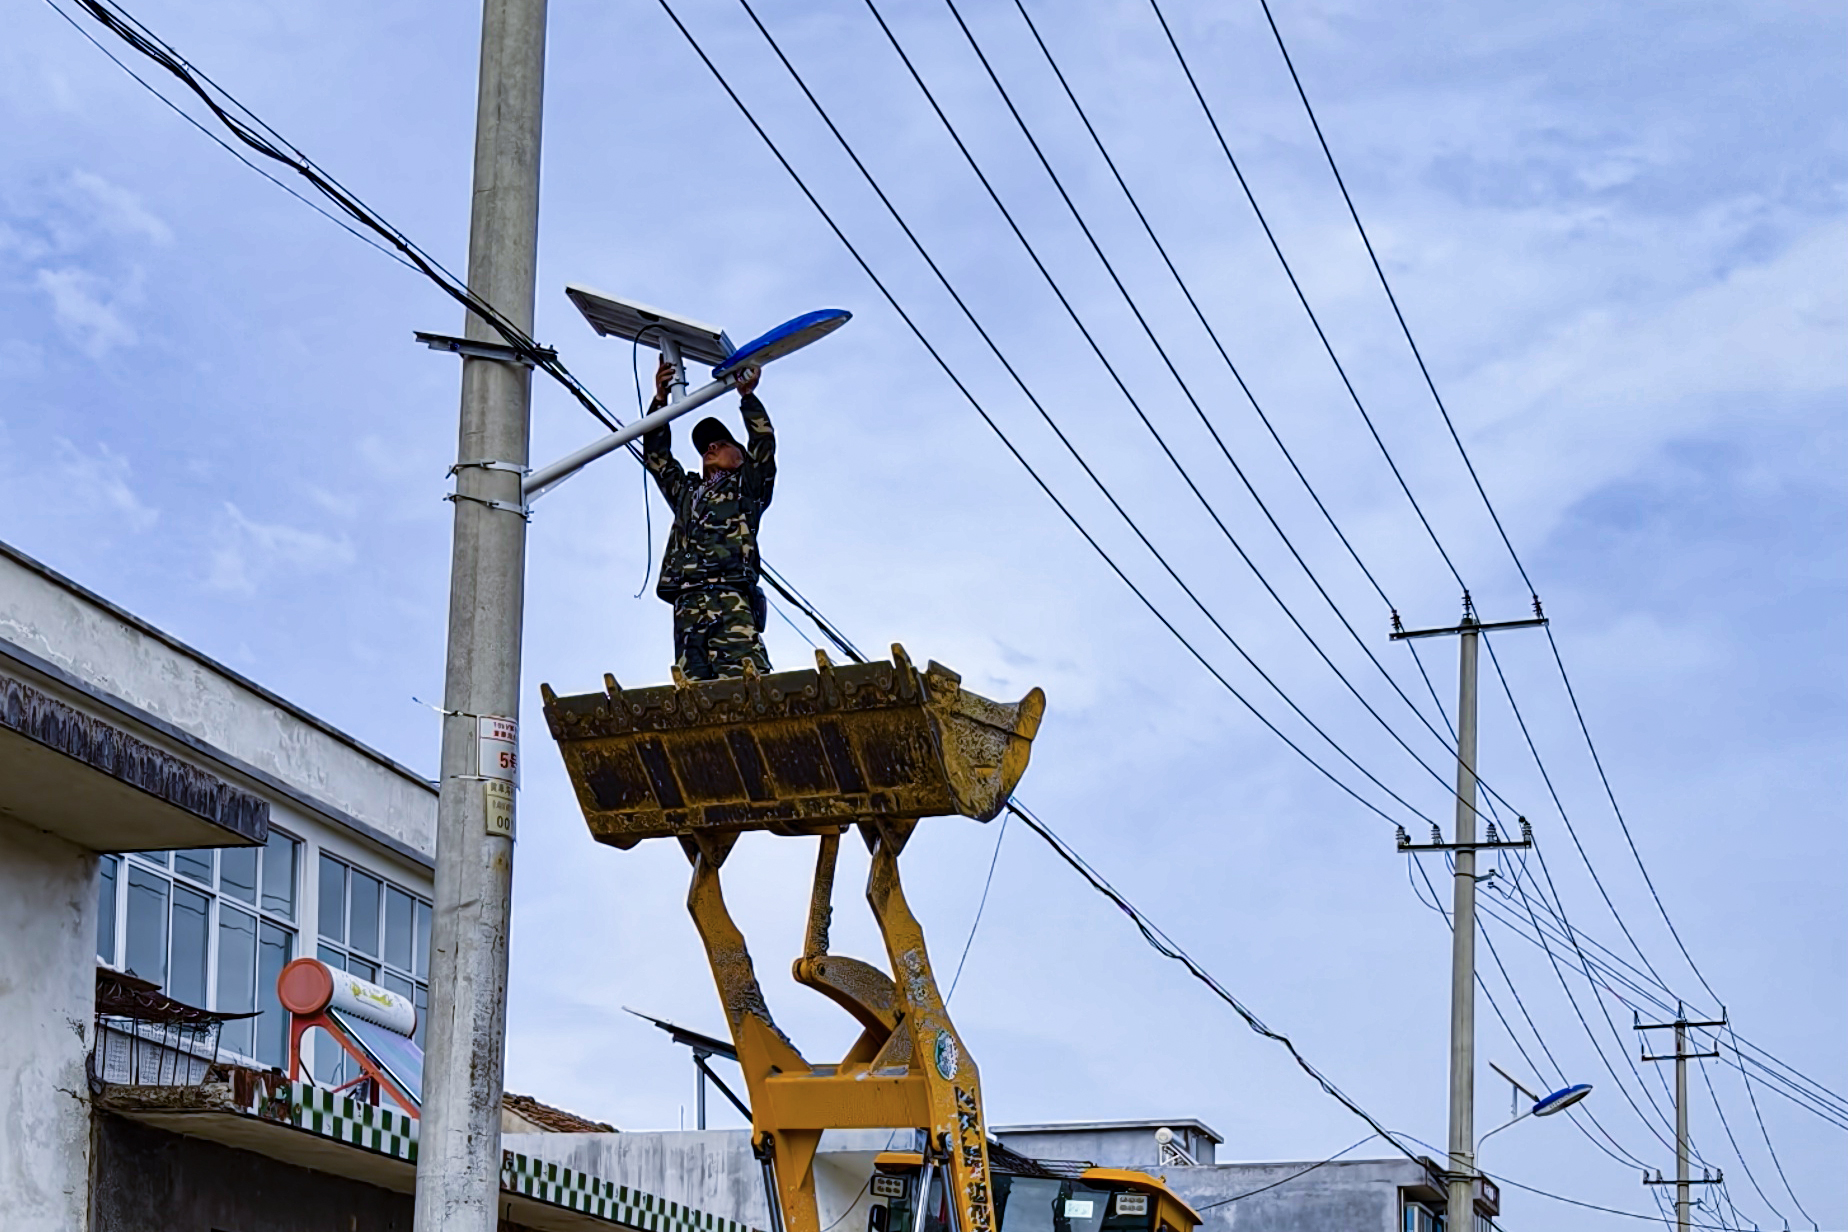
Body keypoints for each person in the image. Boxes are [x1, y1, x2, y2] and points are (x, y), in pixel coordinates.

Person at [642, 356, 775, 680]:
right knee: (695, 691)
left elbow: (764, 446)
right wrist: (660, 402)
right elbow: (657, 459)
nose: (710, 447)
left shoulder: (747, 486)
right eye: (705, 446)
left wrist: (748, 398)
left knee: (743, 681)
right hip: (687, 601)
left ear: (740, 457)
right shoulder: (688, 491)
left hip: (728, 594)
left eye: (721, 443)